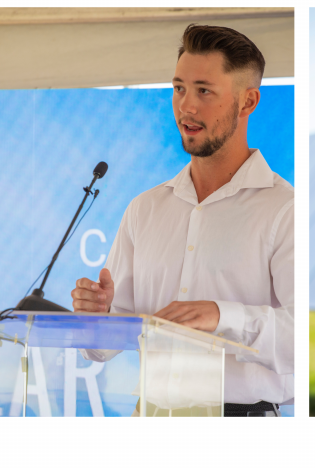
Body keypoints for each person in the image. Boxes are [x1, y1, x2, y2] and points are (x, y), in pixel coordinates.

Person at [70, 24, 294, 417]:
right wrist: (99, 318)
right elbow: (102, 347)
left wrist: (223, 316)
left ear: (248, 101)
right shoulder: (145, 208)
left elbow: (303, 339)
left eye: (204, 91)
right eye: (179, 88)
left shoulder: (284, 209)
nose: (186, 106)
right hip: (153, 416)